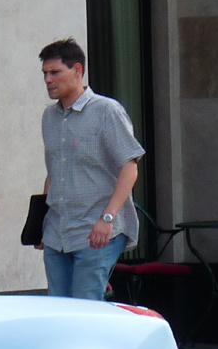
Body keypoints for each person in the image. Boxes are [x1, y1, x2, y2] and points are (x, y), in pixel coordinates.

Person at [34, 37, 144, 299]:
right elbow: (54, 172)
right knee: (57, 310)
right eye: (45, 74)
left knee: (85, 306)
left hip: (97, 231)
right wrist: (40, 224)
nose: (48, 79)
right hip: (57, 231)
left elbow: (129, 168)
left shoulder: (107, 111)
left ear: (78, 71)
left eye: (55, 72)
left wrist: (107, 218)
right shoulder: (49, 117)